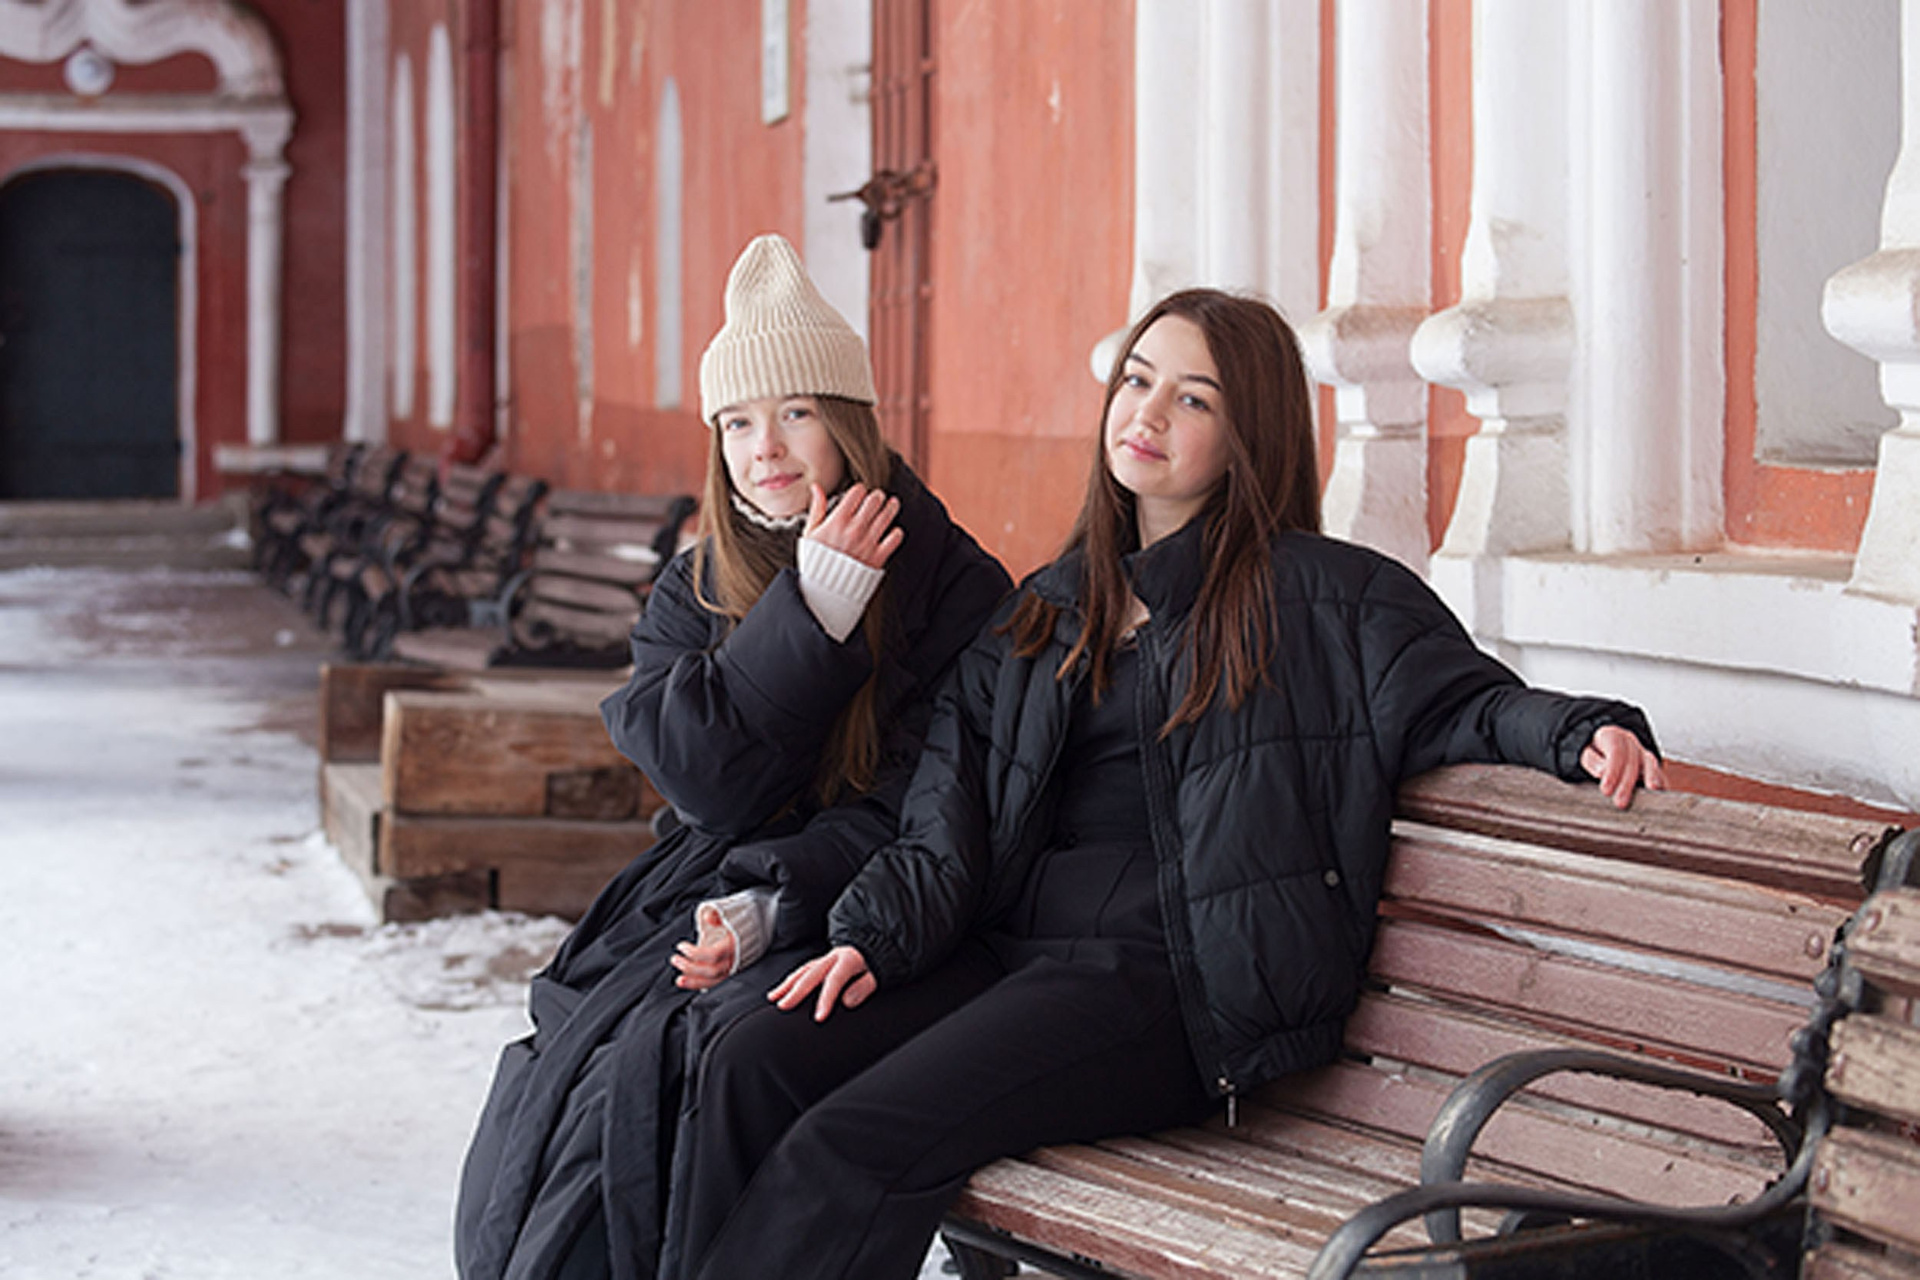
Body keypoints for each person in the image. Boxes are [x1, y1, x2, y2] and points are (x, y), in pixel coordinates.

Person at [665, 288, 1666, 1280]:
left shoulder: (1328, 598)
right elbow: (947, 813)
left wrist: (1580, 730)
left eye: (1193, 398)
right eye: (1137, 381)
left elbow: (1465, 702)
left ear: (1248, 435)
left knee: (854, 1141)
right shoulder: (1046, 610)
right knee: (753, 1059)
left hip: (1164, 984)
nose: (1146, 414)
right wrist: (873, 937)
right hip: (1008, 959)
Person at [452, 234, 1011, 1280]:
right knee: (580, 1050)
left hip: (881, 906)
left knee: (692, 1062)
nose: (767, 448)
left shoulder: (953, 584)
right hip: (705, 891)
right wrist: (813, 614)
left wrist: (766, 910)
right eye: (739, 422)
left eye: (796, 412)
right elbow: (707, 782)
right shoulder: (698, 584)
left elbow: (930, 804)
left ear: (849, 419)